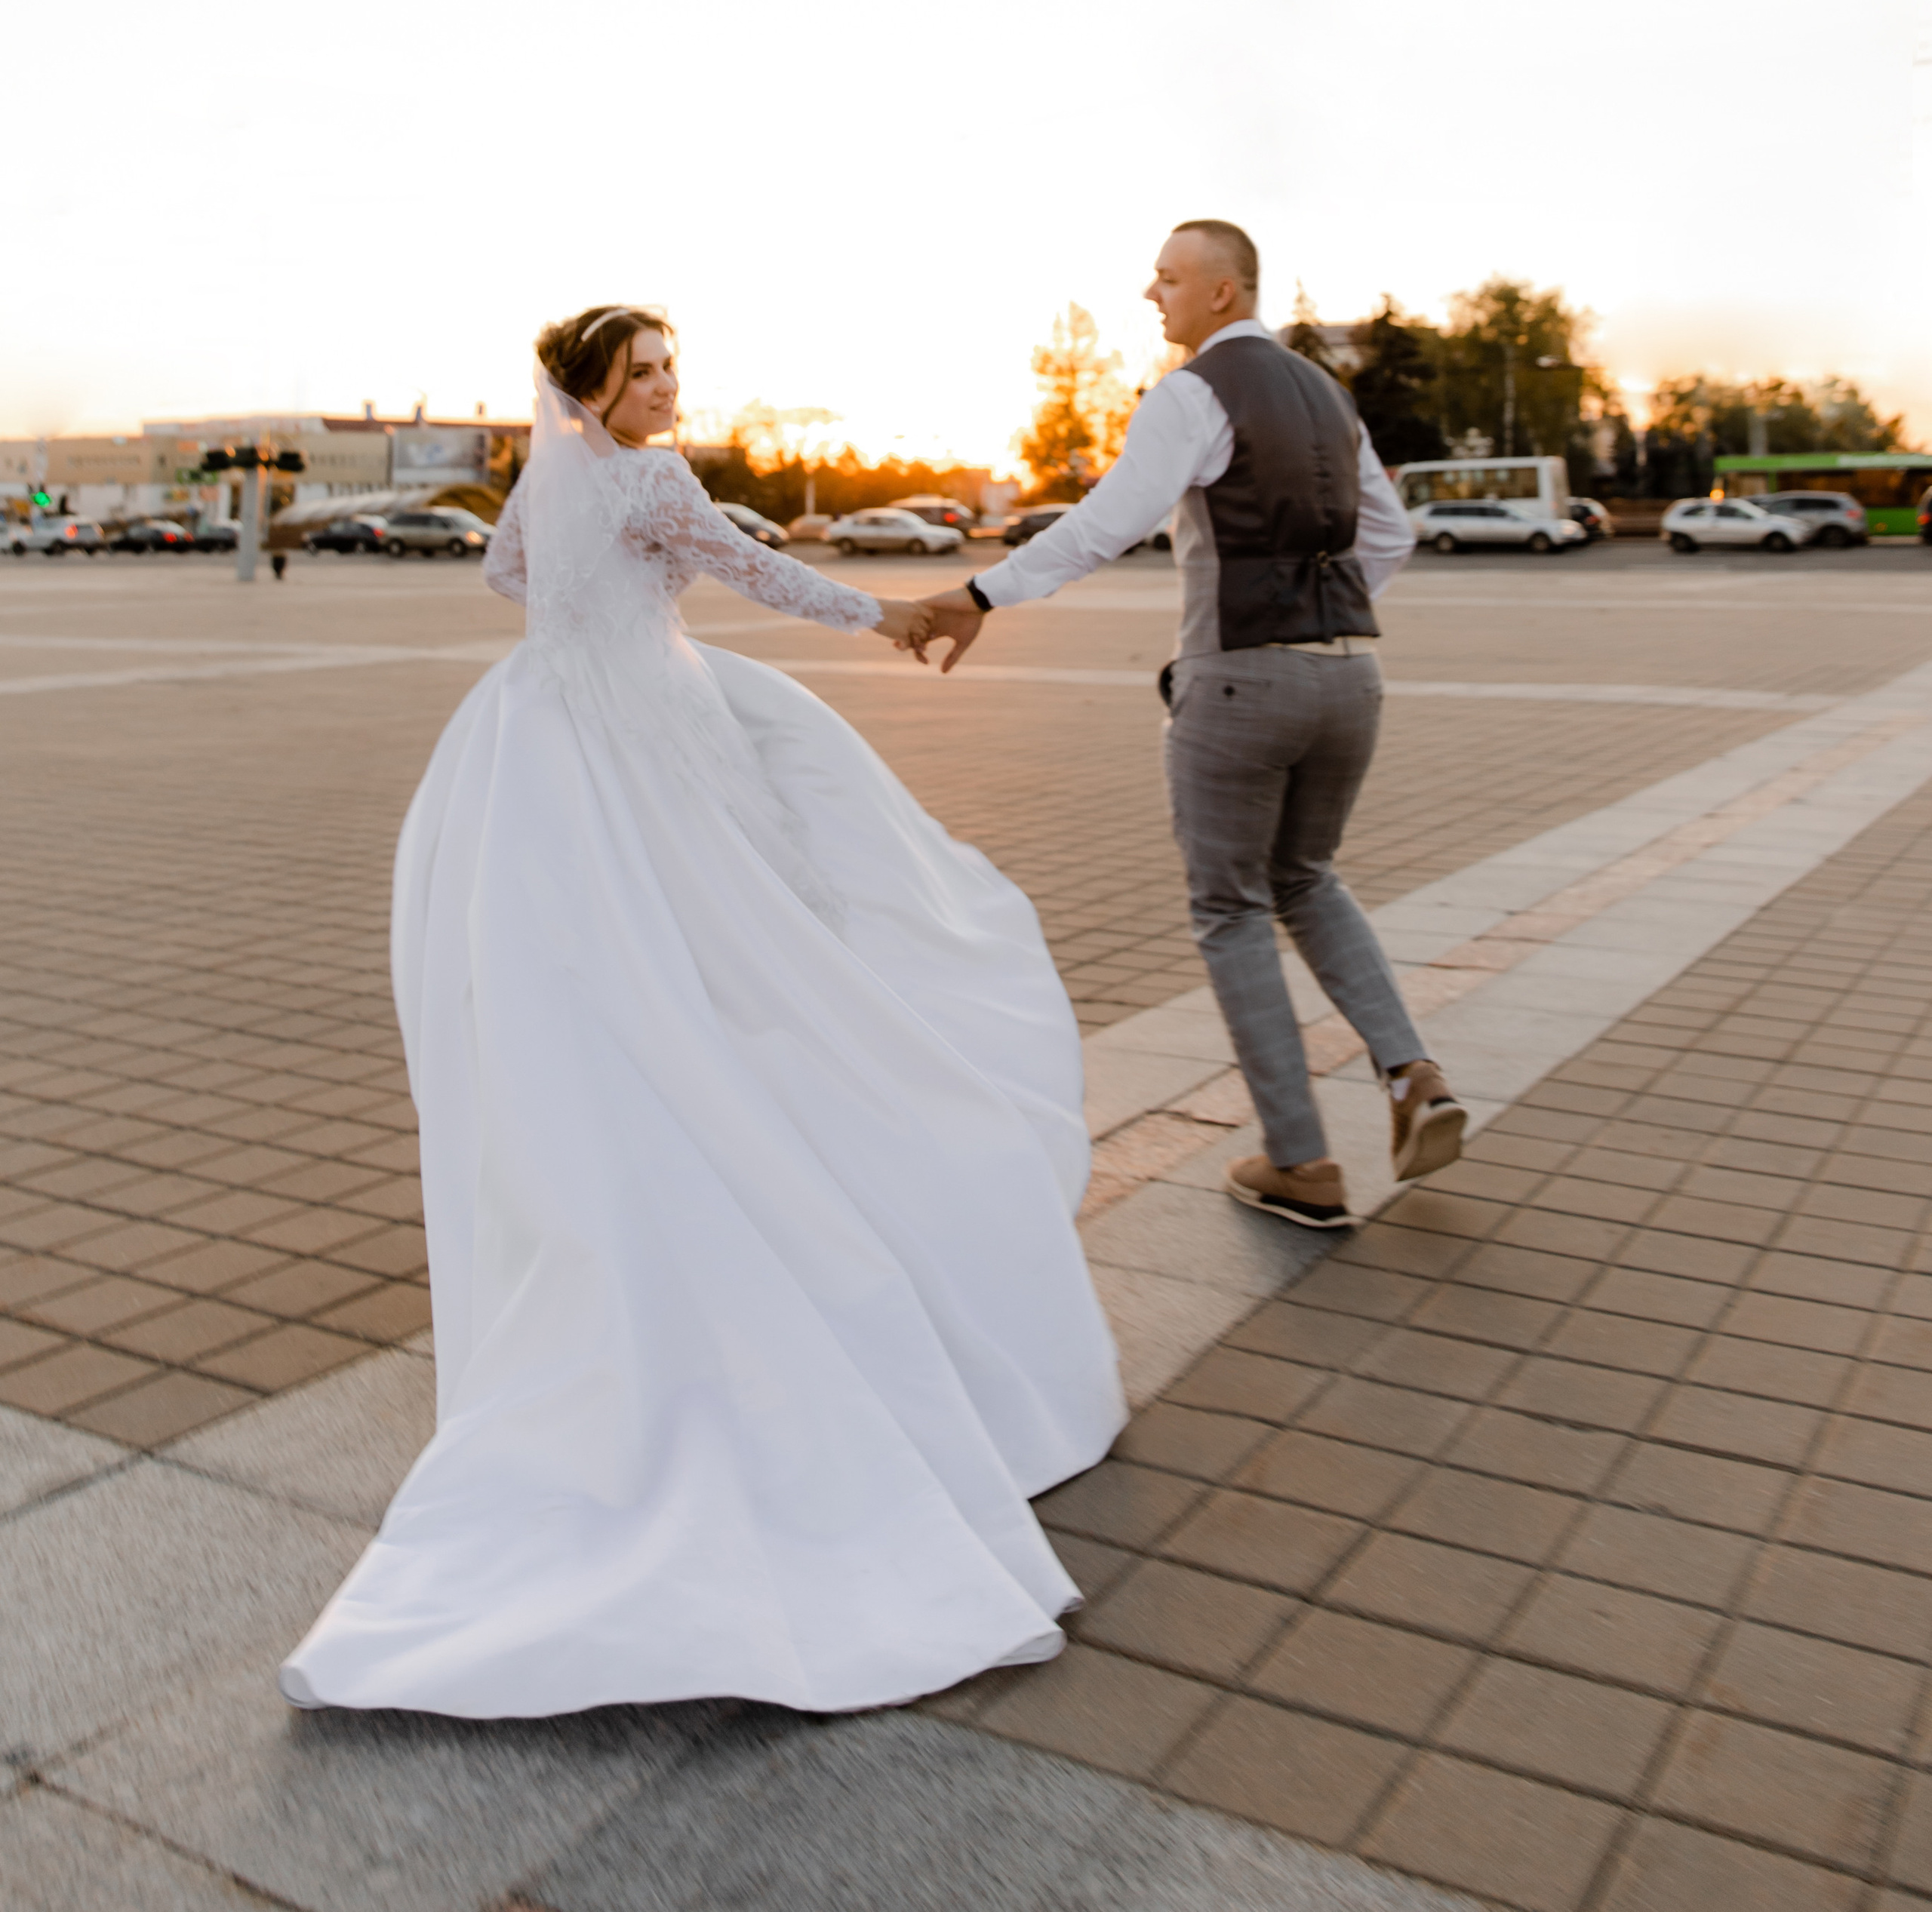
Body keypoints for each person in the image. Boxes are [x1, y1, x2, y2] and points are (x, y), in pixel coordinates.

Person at [280, 304, 1123, 1720]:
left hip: (542, 740)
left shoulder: (545, 481)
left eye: (673, 367)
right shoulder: (659, 483)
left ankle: (651, 1171)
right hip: (655, 735)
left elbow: (505, 579)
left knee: (599, 983)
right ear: (593, 388)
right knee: (754, 961)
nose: (669, 389)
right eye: (646, 372)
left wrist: (605, 607)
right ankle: (763, 1184)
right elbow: (757, 571)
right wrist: (888, 611)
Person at [916, 221, 1465, 1230]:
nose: (1151, 293)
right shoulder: (1327, 394)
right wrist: (1321, 613)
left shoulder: (1194, 393)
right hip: (1352, 676)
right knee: (1306, 878)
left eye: (1168, 278)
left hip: (1240, 684)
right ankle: (1413, 1076)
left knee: (1231, 908)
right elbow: (1391, 532)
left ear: (1223, 292)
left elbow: (1107, 520)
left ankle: (1302, 1162)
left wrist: (981, 595)